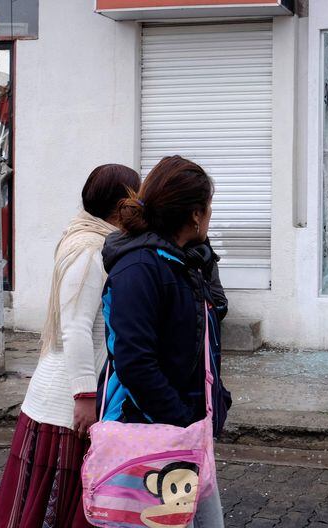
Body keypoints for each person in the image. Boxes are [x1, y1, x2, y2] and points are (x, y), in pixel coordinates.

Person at [0, 163, 141, 528]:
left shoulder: (88, 238)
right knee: (57, 503)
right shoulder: (91, 249)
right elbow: (75, 327)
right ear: (121, 205)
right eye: (135, 196)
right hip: (65, 401)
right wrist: (84, 396)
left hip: (65, 394)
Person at [98, 155, 232, 528]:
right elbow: (135, 363)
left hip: (188, 431)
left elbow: (207, 326)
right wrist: (178, 422)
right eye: (208, 208)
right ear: (194, 214)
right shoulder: (139, 268)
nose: (210, 216)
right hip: (153, 433)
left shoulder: (188, 263)